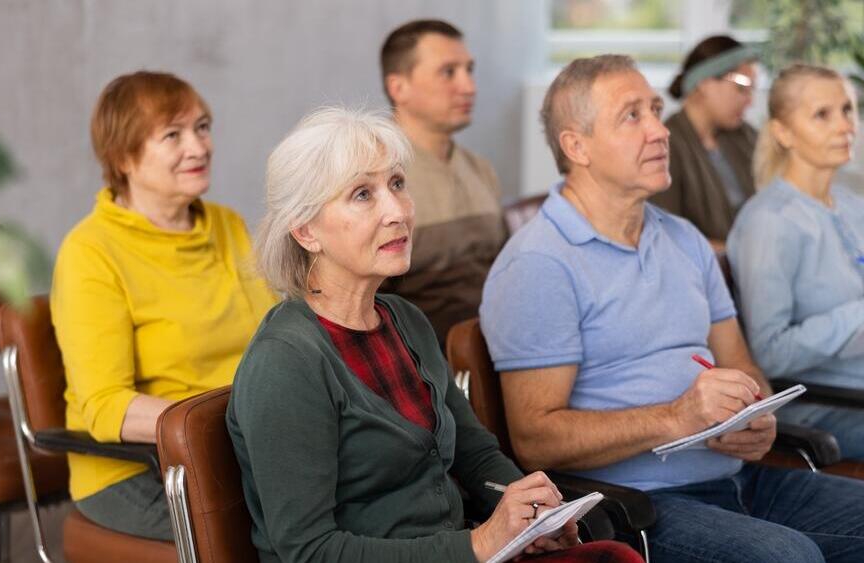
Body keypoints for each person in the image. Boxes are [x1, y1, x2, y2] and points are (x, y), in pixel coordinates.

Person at [480, 54, 864, 562]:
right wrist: (677, 417)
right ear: (577, 145)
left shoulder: (684, 240)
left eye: (657, 110)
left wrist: (756, 417)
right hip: (636, 506)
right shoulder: (537, 263)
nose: (660, 131)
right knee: (787, 557)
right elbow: (535, 440)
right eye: (632, 116)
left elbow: (745, 365)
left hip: (736, 476)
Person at [227, 107, 641, 563]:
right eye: (363, 194)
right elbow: (308, 551)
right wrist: (479, 543)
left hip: (459, 551)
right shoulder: (285, 362)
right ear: (306, 231)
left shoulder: (404, 319)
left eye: (398, 184)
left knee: (613, 556)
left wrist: (532, 512)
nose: (397, 211)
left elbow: (476, 454)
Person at [50, 71, 279, 540]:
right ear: (123, 157)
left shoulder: (227, 224)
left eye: (202, 126)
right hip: (142, 471)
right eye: (173, 135)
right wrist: (229, 428)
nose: (198, 146)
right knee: (293, 528)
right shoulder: (90, 252)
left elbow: (276, 336)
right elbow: (104, 406)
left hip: (248, 447)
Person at [726, 63, 864, 472]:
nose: (845, 125)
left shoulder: (855, 209)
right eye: (822, 115)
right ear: (783, 133)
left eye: (848, 110)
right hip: (824, 407)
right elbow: (771, 354)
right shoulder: (769, 222)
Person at [378, 19, 508, 345]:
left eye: (469, 70)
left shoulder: (480, 169)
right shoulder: (373, 179)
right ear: (399, 88)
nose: (469, 86)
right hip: (424, 365)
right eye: (448, 72)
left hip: (497, 347)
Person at [651, 35, 760, 248]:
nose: (750, 100)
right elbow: (666, 237)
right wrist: (741, 255)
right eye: (741, 88)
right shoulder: (664, 148)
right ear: (704, 84)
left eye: (751, 90)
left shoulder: (746, 136)